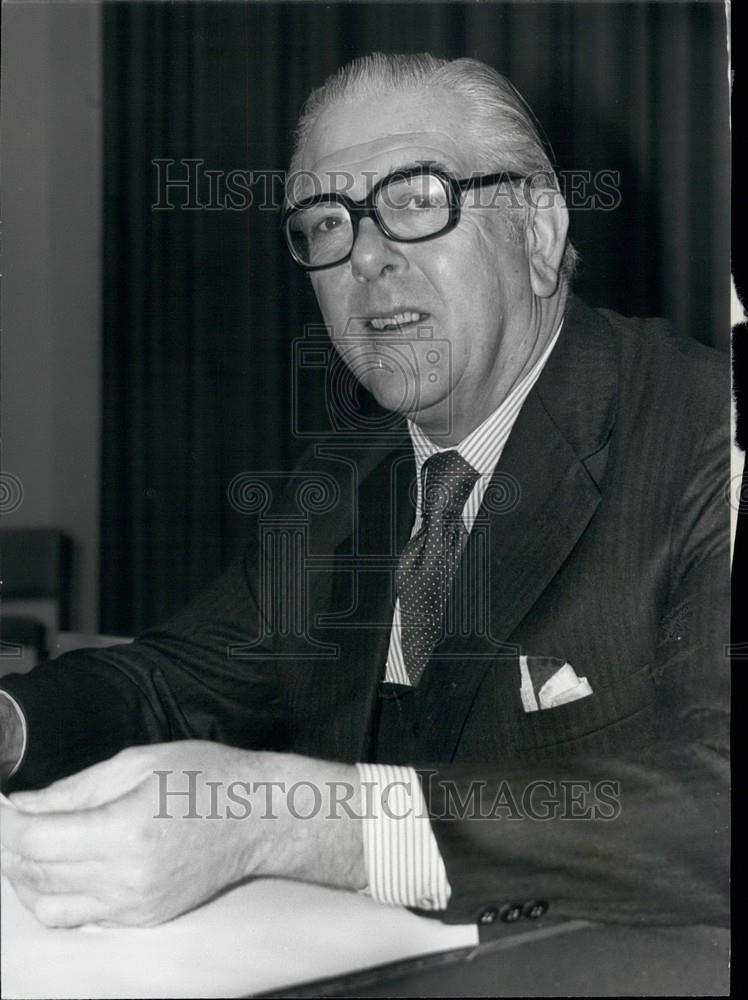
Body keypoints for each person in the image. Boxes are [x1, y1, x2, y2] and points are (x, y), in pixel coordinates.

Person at [0, 53, 729, 933]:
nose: (369, 259)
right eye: (326, 223)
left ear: (538, 233)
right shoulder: (346, 479)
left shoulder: (703, 436)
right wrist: (9, 724)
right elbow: (168, 685)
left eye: (419, 199)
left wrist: (303, 821)